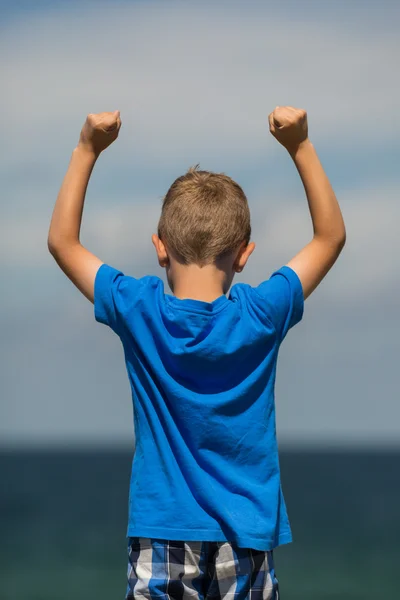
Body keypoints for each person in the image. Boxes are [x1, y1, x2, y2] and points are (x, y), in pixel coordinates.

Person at [48, 106, 346, 599]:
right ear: (245, 254)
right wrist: (301, 145)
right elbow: (330, 237)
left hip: (161, 530)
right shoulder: (262, 313)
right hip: (246, 534)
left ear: (159, 248)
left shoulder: (137, 308)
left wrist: (86, 148)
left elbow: (62, 242)